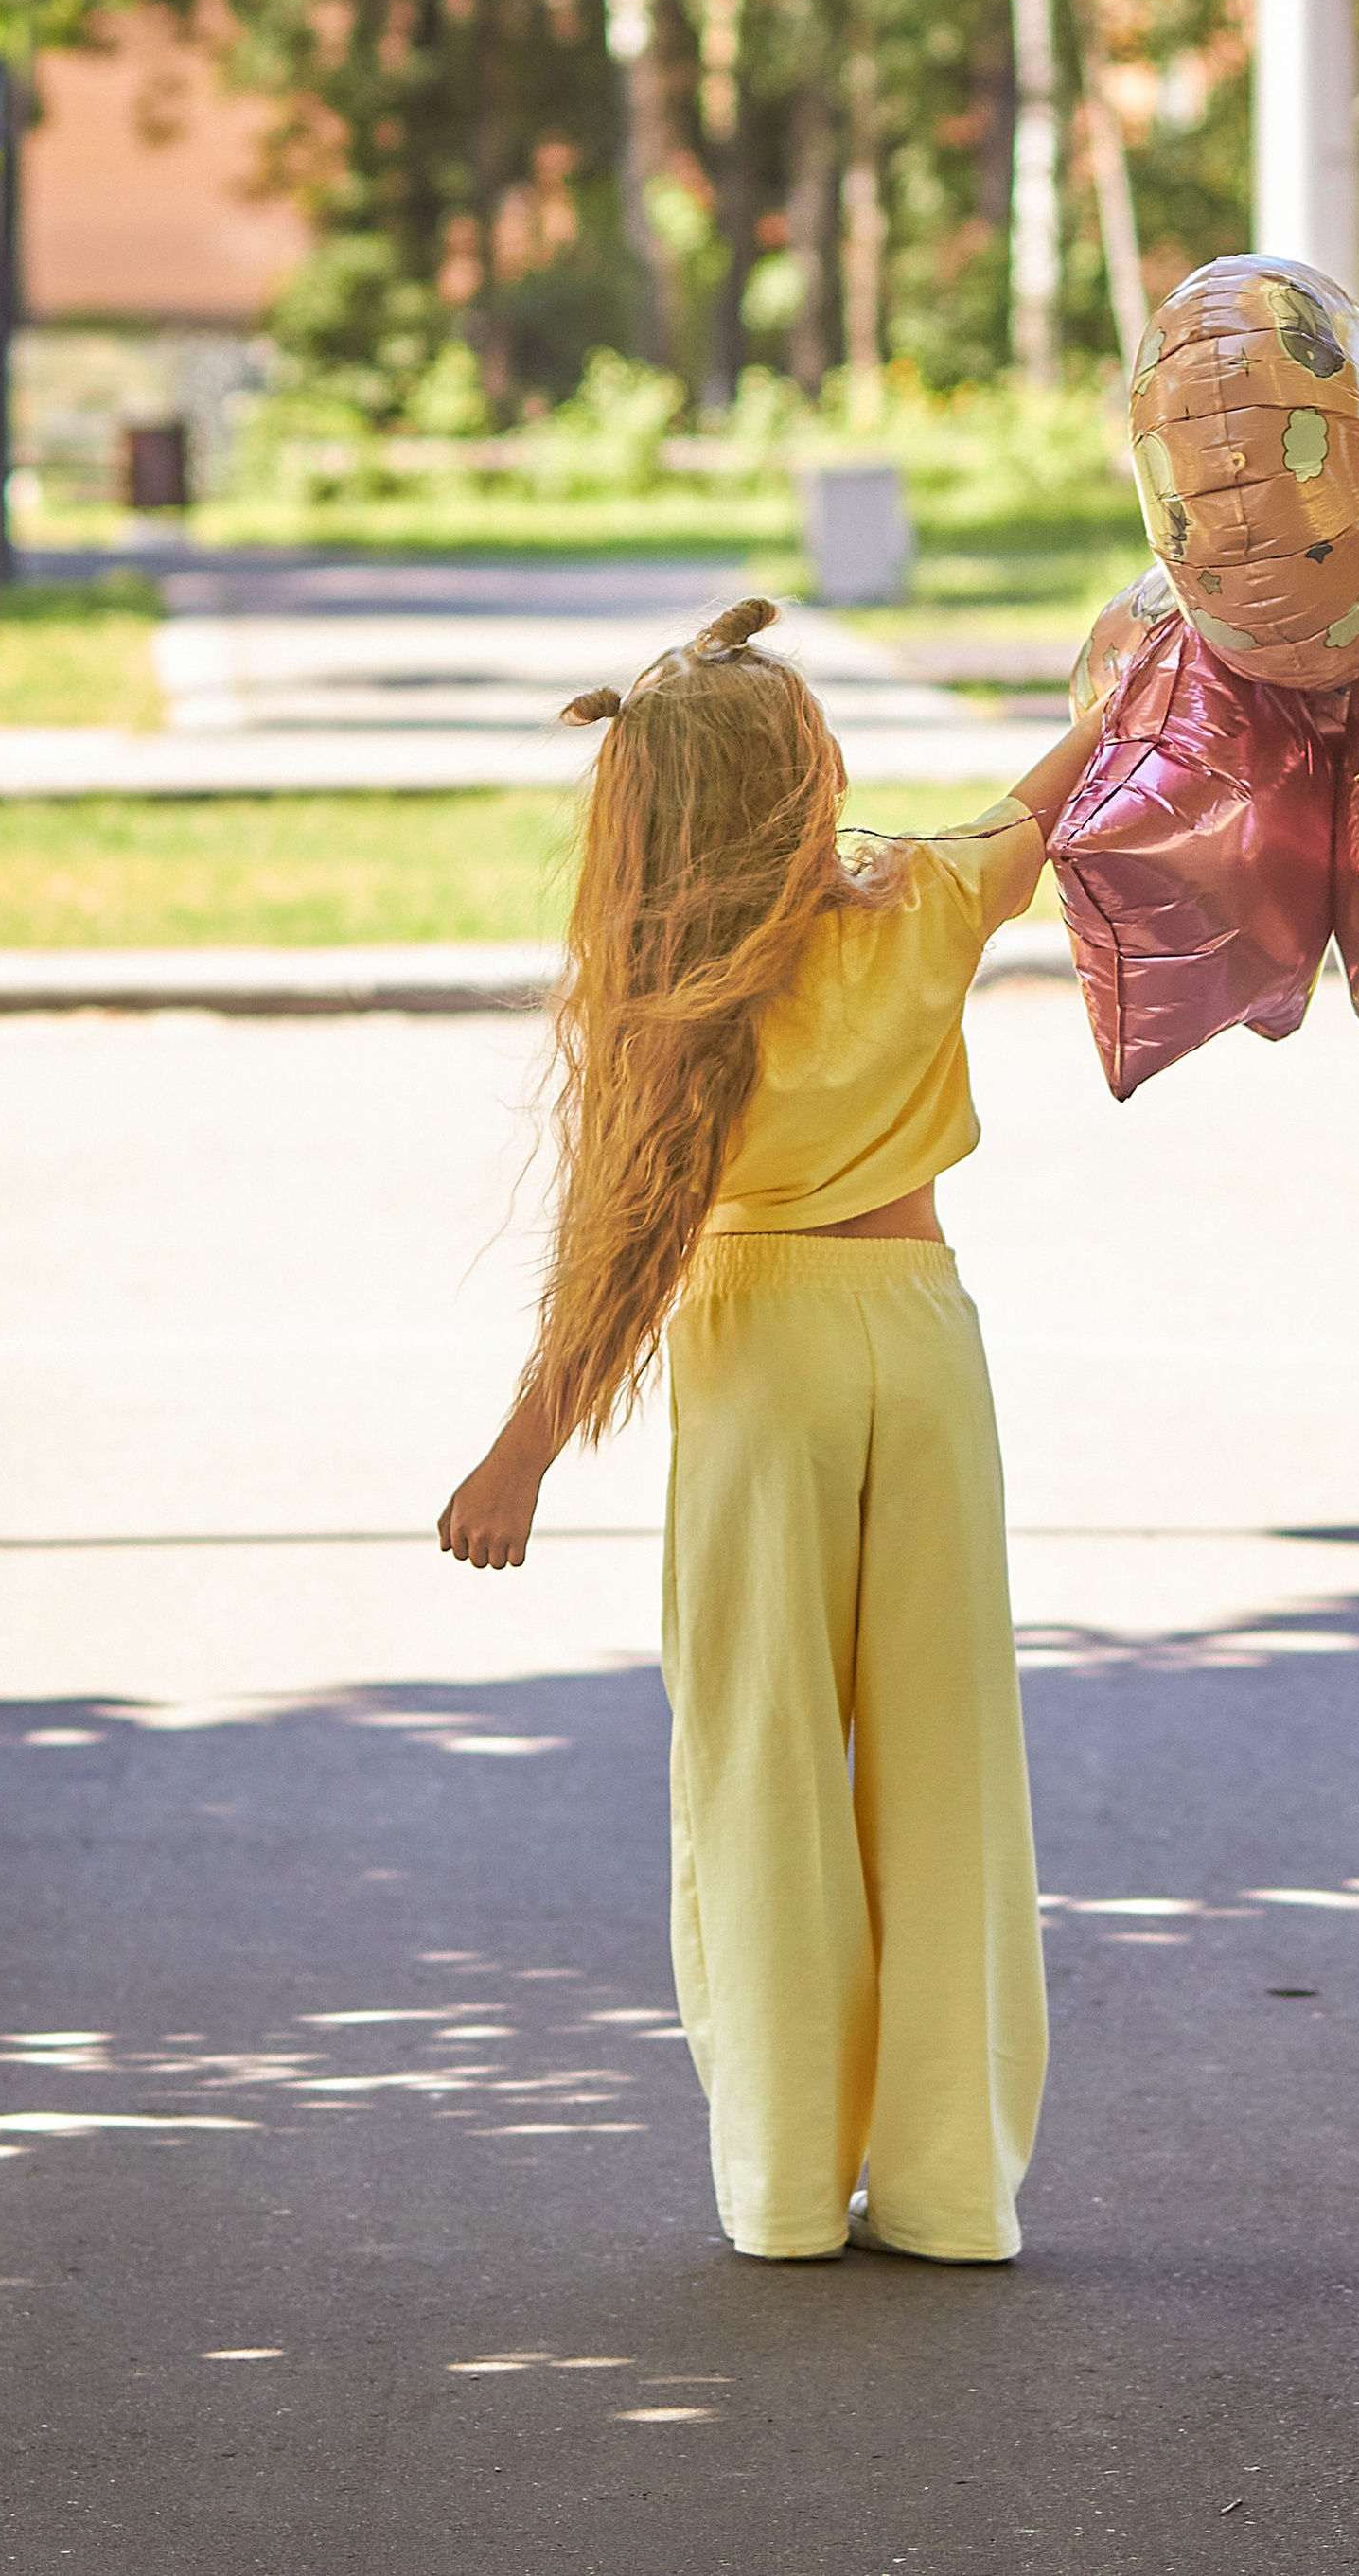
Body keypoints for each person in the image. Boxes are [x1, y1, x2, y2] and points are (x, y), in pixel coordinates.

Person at [438, 597, 1103, 2266]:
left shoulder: (663, 996)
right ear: (802, 786)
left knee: (765, 1764)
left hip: (758, 1356)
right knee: (951, 1764)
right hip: (921, 1338)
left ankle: (793, 2187)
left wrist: (523, 1446)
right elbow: (1052, 806)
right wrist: (1136, 666)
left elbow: (621, 1252)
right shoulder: (921, 904)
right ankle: (953, 2194)